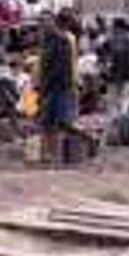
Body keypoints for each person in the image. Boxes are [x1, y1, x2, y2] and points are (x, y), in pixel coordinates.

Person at [38, 9, 81, 162]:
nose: (42, 26)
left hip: (59, 86)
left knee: (57, 121)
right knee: (52, 121)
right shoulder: (55, 40)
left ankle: (53, 153)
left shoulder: (61, 40)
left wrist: (45, 84)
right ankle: (48, 153)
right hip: (57, 85)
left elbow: (61, 67)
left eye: (45, 22)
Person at [101, 17, 129, 116]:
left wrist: (105, 69)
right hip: (128, 74)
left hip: (113, 74)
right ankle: (122, 120)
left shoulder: (108, 40)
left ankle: (115, 122)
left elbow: (103, 57)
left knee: (113, 99)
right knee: (125, 98)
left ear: (115, 27)